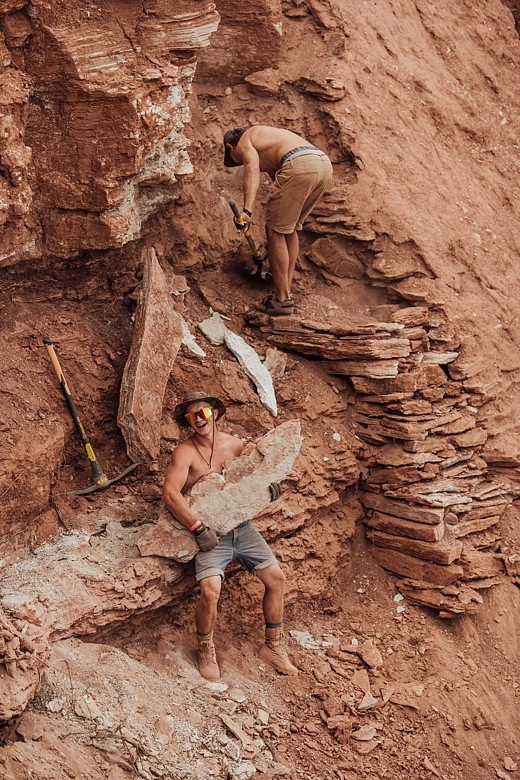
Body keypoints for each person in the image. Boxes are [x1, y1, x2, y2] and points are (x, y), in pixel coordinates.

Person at [162, 390, 298, 681]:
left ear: (215, 413)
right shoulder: (184, 453)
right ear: (187, 422)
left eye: (204, 412)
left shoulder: (236, 446)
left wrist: (271, 491)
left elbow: (256, 478)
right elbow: (171, 494)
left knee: (277, 579)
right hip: (209, 533)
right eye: (192, 415)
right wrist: (197, 529)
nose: (200, 419)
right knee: (211, 590)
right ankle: (205, 648)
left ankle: (273, 646)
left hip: (242, 528)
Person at [223, 125, 333, 316]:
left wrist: (247, 211)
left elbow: (252, 169)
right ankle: (285, 291)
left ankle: (282, 300)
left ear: (230, 147)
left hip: (300, 165)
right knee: (289, 229)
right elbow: (280, 180)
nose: (239, 162)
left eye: (236, 161)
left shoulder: (243, 142)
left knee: (275, 231)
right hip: (322, 165)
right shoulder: (267, 140)